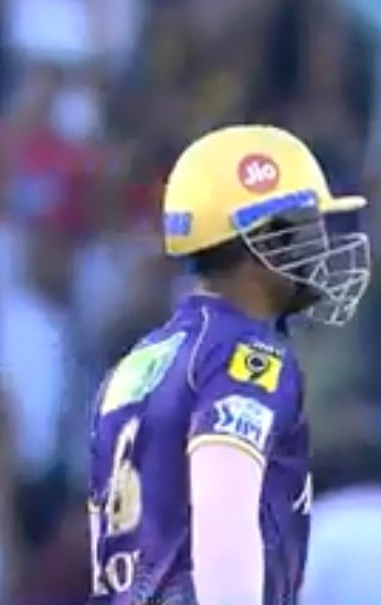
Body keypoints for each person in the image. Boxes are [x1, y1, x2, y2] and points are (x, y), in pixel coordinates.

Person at [87, 124, 371, 605]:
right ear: (264, 241)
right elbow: (223, 521)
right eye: (310, 228)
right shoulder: (246, 356)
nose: (323, 248)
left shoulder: (137, 363)